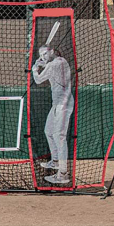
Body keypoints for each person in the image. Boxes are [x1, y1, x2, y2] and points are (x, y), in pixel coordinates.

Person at [32, 44, 74, 185]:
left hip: (63, 104)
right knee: (48, 131)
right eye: (41, 55)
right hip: (57, 104)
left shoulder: (56, 64)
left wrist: (35, 68)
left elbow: (38, 80)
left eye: (45, 53)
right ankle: (55, 161)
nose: (43, 57)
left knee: (59, 136)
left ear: (52, 51)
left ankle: (62, 173)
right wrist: (45, 64)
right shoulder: (60, 62)